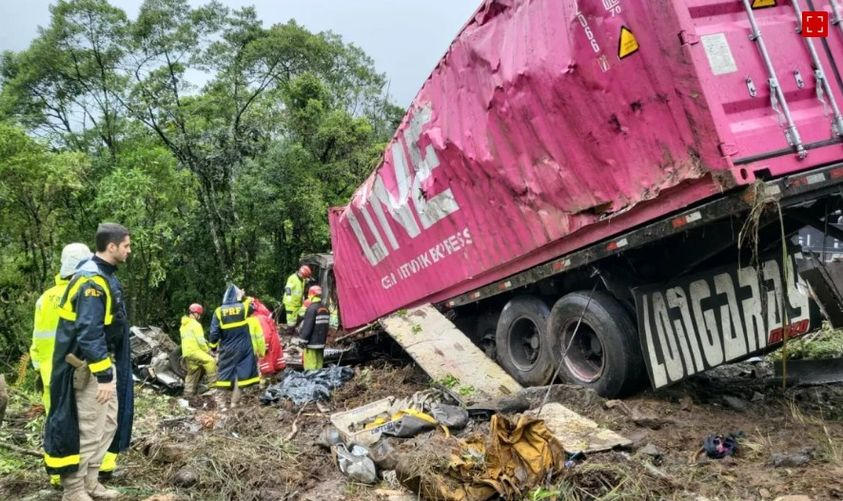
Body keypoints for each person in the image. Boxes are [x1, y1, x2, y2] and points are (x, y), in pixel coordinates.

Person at [44, 223, 134, 501]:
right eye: (127, 246)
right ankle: (74, 490)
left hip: (105, 364)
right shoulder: (91, 283)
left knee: (107, 424)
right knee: (88, 428)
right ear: (112, 247)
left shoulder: (104, 276)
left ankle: (92, 482)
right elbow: (89, 331)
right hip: (89, 370)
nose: (129, 251)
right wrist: (104, 375)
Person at [30, 243, 92, 488]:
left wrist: (38, 367)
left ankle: (57, 474)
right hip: (75, 369)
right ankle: (84, 473)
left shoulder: (44, 299)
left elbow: (36, 339)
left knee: (55, 420)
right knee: (81, 422)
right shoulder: (82, 293)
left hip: (49, 371)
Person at [209, 285, 266, 408]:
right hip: (244, 348)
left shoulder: (219, 311)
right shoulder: (243, 308)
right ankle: (234, 403)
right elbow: (253, 306)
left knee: (224, 374)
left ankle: (222, 405)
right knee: (241, 376)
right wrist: (243, 296)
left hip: (227, 348)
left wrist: (213, 347)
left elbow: (214, 333)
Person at [180, 303, 217, 397]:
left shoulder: (183, 325)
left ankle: (187, 394)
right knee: (211, 361)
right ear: (195, 313)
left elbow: (192, 338)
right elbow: (200, 341)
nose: (199, 316)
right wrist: (208, 350)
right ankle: (214, 387)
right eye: (199, 314)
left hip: (186, 353)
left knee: (193, 372)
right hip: (194, 351)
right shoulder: (196, 325)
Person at [297, 285, 330, 371]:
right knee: (319, 366)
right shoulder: (325, 308)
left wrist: (302, 341)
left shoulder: (311, 309)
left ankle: (311, 382)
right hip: (321, 343)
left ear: (311, 295)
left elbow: (307, 327)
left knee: (311, 368)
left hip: (311, 344)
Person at [252, 298, 286, 378]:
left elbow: (266, 333)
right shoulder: (262, 316)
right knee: (275, 364)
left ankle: (268, 381)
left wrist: (264, 345)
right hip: (272, 341)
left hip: (268, 343)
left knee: (268, 366)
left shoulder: (259, 318)